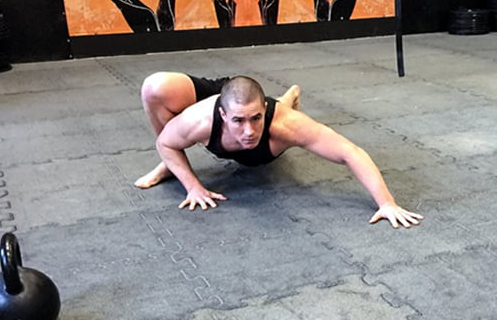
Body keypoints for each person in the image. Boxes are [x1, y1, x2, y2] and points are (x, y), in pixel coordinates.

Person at [134, 72, 423, 228]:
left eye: (256, 118)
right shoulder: (200, 121)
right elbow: (164, 142)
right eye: (238, 122)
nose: (249, 131)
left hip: (269, 127)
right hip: (225, 103)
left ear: (263, 110)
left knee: (282, 119)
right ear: (222, 116)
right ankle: (171, 164)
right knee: (155, 87)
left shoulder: (285, 125)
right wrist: (193, 186)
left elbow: (350, 152)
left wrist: (387, 203)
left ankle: (286, 99)